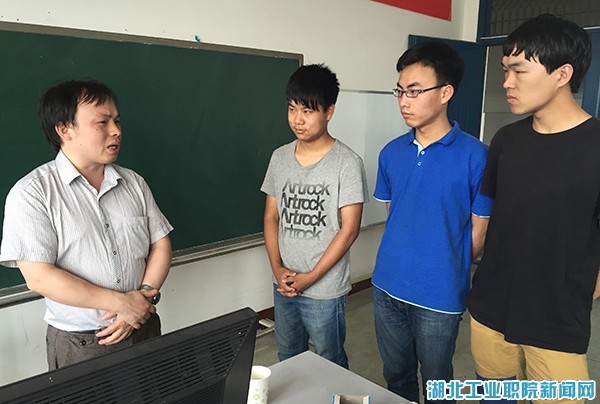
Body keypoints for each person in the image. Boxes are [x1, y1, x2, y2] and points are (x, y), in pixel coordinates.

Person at [466, 14, 600, 404]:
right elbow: (495, 213)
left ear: (562, 74)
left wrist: (581, 289)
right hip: (490, 310)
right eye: (505, 70)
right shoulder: (506, 140)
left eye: (519, 70)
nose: (507, 82)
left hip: (556, 322)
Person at [0, 79, 173, 370]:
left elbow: (160, 243)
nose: (116, 131)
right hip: (82, 344)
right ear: (64, 129)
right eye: (102, 122)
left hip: (143, 326)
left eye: (117, 121)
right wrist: (121, 304)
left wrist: (143, 297)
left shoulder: (133, 183)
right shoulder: (33, 193)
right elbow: (39, 277)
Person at [371, 42, 493, 403]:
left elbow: (479, 233)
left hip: (439, 296)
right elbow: (396, 213)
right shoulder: (391, 152)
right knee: (396, 377)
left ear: (445, 93)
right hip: (386, 286)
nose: (404, 101)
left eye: (414, 91)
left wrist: (446, 264)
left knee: (438, 383)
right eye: (400, 91)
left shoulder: (476, 156)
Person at [261, 64, 368, 368]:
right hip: (284, 284)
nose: (297, 119)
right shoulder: (279, 157)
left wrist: (310, 277)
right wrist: (277, 269)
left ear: (329, 111)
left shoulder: (346, 163)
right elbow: (271, 217)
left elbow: (349, 229)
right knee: (288, 358)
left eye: (307, 111)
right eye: (292, 108)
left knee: (328, 362)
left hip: (324, 290)